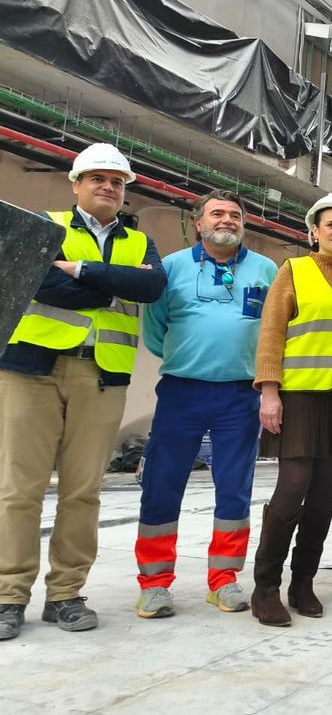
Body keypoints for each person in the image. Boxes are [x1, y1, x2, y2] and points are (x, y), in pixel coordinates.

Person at [0, 143, 166, 640]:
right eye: (97, 178)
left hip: (102, 375)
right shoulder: (44, 225)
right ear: (76, 184)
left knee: (82, 492)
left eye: (117, 181)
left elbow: (152, 288)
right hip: (32, 369)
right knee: (18, 489)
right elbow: (36, 284)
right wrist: (113, 285)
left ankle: (66, 595)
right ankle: (8, 595)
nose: (108, 187)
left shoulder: (141, 244)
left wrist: (79, 271)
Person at [134, 190, 278, 618]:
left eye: (236, 215)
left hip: (241, 394)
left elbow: (272, 332)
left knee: (234, 487)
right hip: (183, 391)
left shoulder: (264, 269)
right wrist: (193, 357)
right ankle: (155, 583)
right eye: (218, 213)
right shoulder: (173, 267)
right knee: (163, 483)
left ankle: (225, 580)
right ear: (198, 222)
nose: (228, 220)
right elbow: (156, 330)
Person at [250, 192, 332, 627]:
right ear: (314, 231)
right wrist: (269, 391)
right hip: (300, 393)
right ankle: (265, 586)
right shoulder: (294, 271)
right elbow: (271, 333)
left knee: (324, 494)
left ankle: (303, 582)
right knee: (293, 485)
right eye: (330, 225)